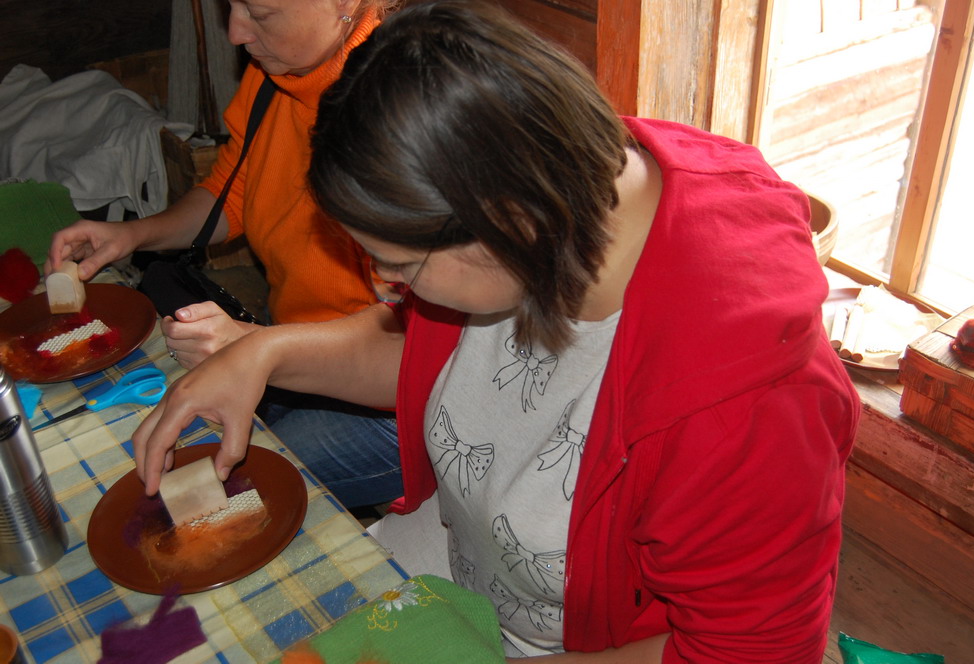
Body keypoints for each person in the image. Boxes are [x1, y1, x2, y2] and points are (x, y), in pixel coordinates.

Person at [133, 1, 861, 660]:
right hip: (451, 566)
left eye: (398, 266)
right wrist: (263, 352)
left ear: (506, 224)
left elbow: (750, 651)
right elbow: (426, 355)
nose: (387, 289)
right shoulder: (549, 192)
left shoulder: (747, 409)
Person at [45, 0, 403, 509]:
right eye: (228, 5)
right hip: (284, 347)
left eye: (259, 12)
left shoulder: (400, 100)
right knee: (161, 449)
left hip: (394, 404)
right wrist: (133, 234)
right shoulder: (275, 73)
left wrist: (256, 348)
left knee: (213, 493)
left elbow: (416, 350)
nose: (235, 32)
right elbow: (231, 192)